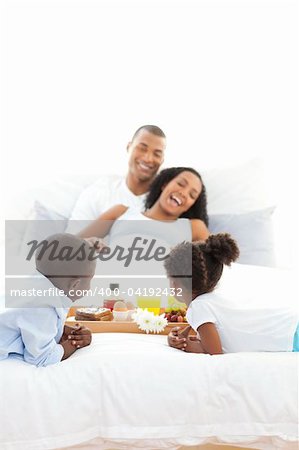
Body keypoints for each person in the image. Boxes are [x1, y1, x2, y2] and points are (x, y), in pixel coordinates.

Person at [165, 234, 299, 354]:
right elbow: (214, 330)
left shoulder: (198, 308)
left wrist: (182, 345)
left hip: (289, 335)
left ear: (178, 284)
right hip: (290, 324)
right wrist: (184, 334)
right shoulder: (211, 300)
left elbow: (213, 350)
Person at [0, 233, 96, 367]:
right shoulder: (44, 306)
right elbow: (42, 358)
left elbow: (29, 324)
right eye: (90, 279)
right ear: (75, 284)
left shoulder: (34, 286)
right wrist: (75, 344)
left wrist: (64, 330)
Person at [78, 167, 210, 242]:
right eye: (181, 184)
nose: (184, 193)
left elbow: (212, 266)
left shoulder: (194, 227)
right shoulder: (121, 212)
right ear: (165, 184)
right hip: (111, 285)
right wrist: (88, 245)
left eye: (192, 195)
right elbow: (70, 244)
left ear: (191, 205)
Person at [68, 125, 166, 224]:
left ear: (162, 160)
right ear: (129, 147)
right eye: (142, 148)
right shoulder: (98, 193)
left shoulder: (166, 203)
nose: (148, 158)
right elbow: (71, 237)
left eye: (157, 154)